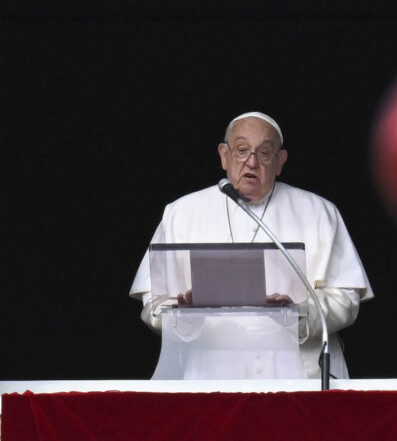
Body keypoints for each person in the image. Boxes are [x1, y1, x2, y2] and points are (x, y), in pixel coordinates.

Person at [130, 111, 374, 377]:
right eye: (242, 150)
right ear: (224, 155)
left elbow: (346, 299)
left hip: (296, 372)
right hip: (207, 371)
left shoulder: (319, 212)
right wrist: (185, 314)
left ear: (280, 162)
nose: (251, 162)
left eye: (264, 153)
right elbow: (152, 302)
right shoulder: (181, 212)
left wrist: (299, 313)